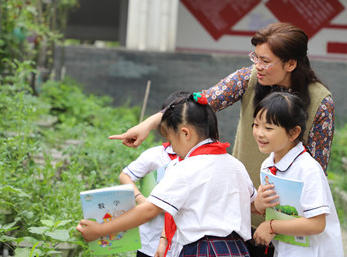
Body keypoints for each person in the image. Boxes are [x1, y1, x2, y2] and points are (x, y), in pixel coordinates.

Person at [109, 22, 334, 228]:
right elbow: (201, 101)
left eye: (265, 61)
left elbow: (317, 170)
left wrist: (286, 224)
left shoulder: (320, 103)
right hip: (243, 209)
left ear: (291, 63)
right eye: (255, 58)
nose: (258, 66)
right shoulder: (249, 78)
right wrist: (148, 124)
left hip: (288, 220)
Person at [78, 92, 255, 257]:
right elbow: (253, 204)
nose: (174, 148)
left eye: (171, 139)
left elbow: (147, 210)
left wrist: (100, 230)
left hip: (202, 252)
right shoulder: (235, 165)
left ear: (185, 133)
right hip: (238, 253)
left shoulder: (184, 168)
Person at [251, 92, 343, 257]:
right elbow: (275, 211)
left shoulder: (308, 169)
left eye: (268, 128)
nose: (259, 133)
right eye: (256, 125)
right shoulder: (268, 165)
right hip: (286, 252)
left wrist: (271, 226)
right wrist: (259, 204)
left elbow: (316, 224)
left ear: (293, 133)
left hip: (313, 256)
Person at [119, 91, 189, 257]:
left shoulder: (198, 160)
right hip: (150, 241)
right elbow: (125, 175)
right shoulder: (155, 155)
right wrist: (141, 200)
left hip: (183, 243)